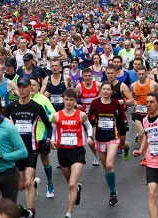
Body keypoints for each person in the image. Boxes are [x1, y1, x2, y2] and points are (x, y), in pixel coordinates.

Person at [3, 78, 52, 213]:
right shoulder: (12, 106)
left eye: (25, 87)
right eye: (20, 87)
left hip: (31, 148)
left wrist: (48, 139)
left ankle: (30, 212)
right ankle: (35, 184)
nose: (22, 90)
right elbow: (1, 122)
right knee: (21, 185)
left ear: (30, 88)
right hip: (17, 149)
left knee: (28, 182)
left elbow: (48, 124)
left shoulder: (36, 107)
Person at [50, 89, 92, 218]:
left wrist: (89, 136)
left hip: (77, 151)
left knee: (71, 184)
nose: (68, 102)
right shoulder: (57, 116)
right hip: (62, 152)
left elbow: (89, 126)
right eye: (66, 99)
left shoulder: (81, 115)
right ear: (63, 100)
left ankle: (68, 213)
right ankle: (77, 190)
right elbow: (53, 131)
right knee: (71, 183)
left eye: (71, 100)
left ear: (75, 101)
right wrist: (52, 140)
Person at [87, 81, 126, 206]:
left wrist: (123, 125)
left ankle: (113, 193)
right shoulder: (95, 103)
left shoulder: (115, 103)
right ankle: (112, 188)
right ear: (101, 91)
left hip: (113, 138)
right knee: (106, 169)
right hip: (99, 138)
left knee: (109, 165)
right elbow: (88, 119)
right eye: (104, 89)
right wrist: (91, 119)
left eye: (108, 89)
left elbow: (123, 116)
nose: (106, 91)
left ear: (111, 91)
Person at [131, 65, 158, 166]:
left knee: (150, 135)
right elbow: (131, 98)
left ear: (146, 74)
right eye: (139, 74)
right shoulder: (134, 86)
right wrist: (132, 105)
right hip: (138, 113)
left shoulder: (153, 84)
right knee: (141, 134)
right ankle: (144, 157)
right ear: (137, 74)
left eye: (143, 74)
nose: (141, 76)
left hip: (150, 114)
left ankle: (152, 153)